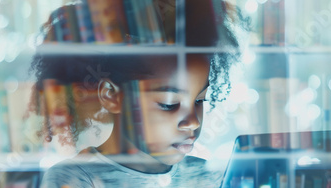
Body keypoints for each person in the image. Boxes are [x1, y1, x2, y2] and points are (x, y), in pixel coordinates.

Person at [29, 0, 249, 187]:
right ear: (111, 95)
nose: (192, 122)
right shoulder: (76, 179)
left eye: (199, 100)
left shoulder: (209, 177)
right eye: (169, 104)